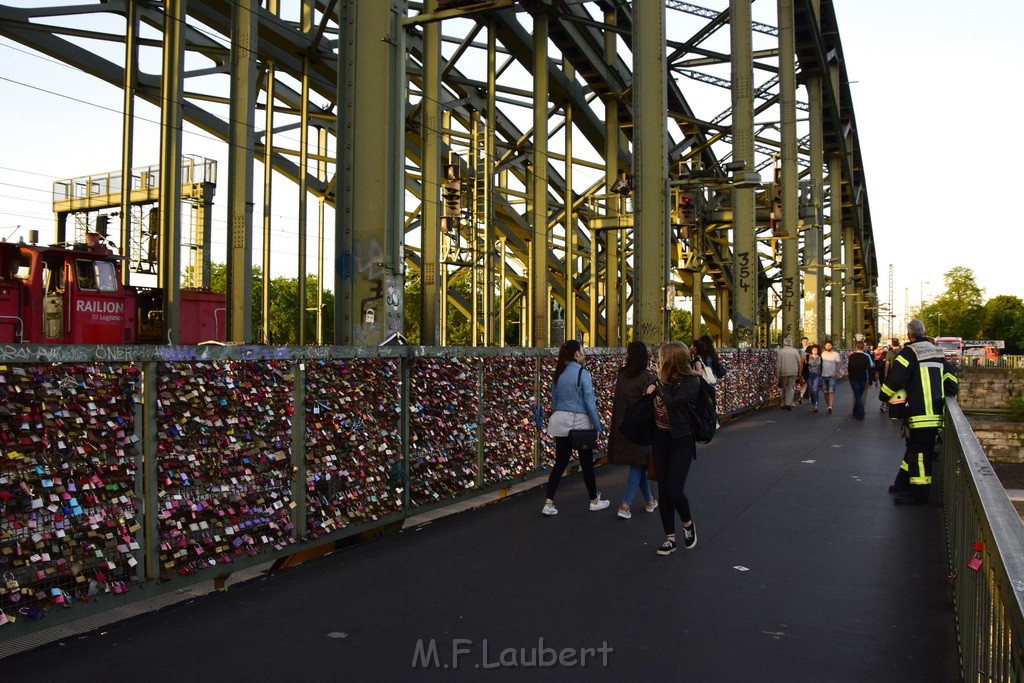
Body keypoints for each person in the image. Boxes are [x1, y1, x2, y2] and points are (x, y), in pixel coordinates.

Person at [879, 320, 959, 505]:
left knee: (920, 454)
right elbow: (951, 383)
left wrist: (884, 396)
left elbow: (895, 379)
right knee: (915, 449)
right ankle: (902, 482)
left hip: (918, 413)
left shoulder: (909, 353)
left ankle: (919, 493)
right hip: (935, 412)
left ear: (909, 335)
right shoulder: (938, 354)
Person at [646, 341, 700, 556]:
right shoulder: (659, 381)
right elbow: (650, 405)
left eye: (661, 359)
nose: (657, 363)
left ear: (671, 361)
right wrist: (648, 392)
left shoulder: (692, 382)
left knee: (674, 490)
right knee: (663, 490)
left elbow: (672, 401)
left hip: (681, 439)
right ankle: (669, 538)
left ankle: (687, 524)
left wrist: (659, 383)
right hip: (660, 438)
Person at [542, 340, 608, 515]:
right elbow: (589, 402)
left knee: (560, 462)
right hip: (579, 422)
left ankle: (548, 503)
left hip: (559, 419)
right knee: (586, 462)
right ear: (577, 354)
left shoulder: (558, 373)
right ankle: (594, 500)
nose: (584, 353)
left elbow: (554, 401)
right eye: (582, 350)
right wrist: (598, 425)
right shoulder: (583, 373)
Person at [608, 341, 658, 519]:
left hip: (624, 428)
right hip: (642, 431)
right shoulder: (647, 378)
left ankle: (650, 500)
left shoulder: (621, 376)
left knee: (639, 464)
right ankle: (625, 505)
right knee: (638, 465)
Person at [846, 340, 872, 420]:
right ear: (863, 347)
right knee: (859, 395)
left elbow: (849, 368)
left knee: (857, 395)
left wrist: (849, 377)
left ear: (856, 347)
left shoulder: (851, 356)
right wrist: (871, 380)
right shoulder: (866, 356)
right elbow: (869, 369)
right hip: (863, 378)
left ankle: (857, 412)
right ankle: (860, 413)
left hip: (854, 378)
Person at [776, 337, 802, 411]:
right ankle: (789, 402)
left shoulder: (780, 352)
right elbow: (799, 363)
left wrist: (777, 372)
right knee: (790, 387)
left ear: (784, 343)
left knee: (784, 387)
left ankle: (784, 402)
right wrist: (799, 371)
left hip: (783, 372)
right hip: (793, 371)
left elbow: (778, 364)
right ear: (791, 343)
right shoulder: (795, 351)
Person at [820, 341, 840, 414]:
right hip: (823, 375)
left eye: (829, 345)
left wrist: (836, 372)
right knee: (826, 392)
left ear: (832, 346)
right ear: (825, 346)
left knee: (831, 391)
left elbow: (838, 364)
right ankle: (828, 406)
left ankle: (830, 406)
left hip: (832, 376)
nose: (828, 346)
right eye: (827, 345)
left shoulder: (836, 354)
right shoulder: (822, 354)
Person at [804, 344, 823, 412]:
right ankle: (813, 403)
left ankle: (816, 405)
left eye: (816, 349)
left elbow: (822, 366)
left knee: (815, 389)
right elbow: (805, 366)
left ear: (818, 350)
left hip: (817, 375)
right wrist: (809, 363)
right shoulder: (808, 357)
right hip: (809, 375)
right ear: (811, 350)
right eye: (813, 349)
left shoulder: (820, 357)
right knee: (810, 389)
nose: (815, 350)